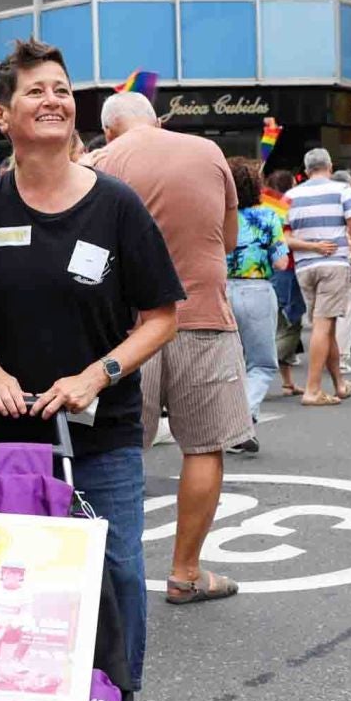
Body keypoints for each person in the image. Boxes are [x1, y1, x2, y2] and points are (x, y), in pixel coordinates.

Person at [0, 39, 182, 701]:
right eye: (34, 91)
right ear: (1, 114)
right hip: (7, 438)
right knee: (11, 594)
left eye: (61, 89)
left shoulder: (115, 204)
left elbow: (161, 317)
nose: (52, 100)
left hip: (103, 432)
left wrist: (98, 372)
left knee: (115, 581)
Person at [97, 90, 253, 602]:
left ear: (111, 130)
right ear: (156, 121)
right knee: (203, 446)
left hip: (127, 332)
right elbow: (228, 240)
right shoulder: (207, 152)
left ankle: (104, 577)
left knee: (115, 452)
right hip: (203, 316)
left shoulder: (100, 161)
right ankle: (185, 573)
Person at [285, 149, 351, 405]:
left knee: (326, 324)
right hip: (334, 264)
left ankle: (339, 384)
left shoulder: (289, 196)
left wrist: (310, 247)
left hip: (304, 267)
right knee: (323, 325)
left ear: (307, 169)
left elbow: (284, 237)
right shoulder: (343, 191)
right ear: (330, 166)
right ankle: (313, 389)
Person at [227, 158, 292, 433]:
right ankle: (242, 419)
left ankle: (240, 426)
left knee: (232, 365)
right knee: (262, 364)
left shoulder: (217, 215)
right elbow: (281, 263)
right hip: (257, 291)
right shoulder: (268, 217)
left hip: (222, 290)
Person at [267, 169, 308, 399]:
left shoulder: (266, 206)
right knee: (290, 324)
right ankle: (260, 365)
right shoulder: (283, 208)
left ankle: (288, 382)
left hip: (272, 271)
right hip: (287, 269)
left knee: (283, 323)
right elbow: (286, 241)